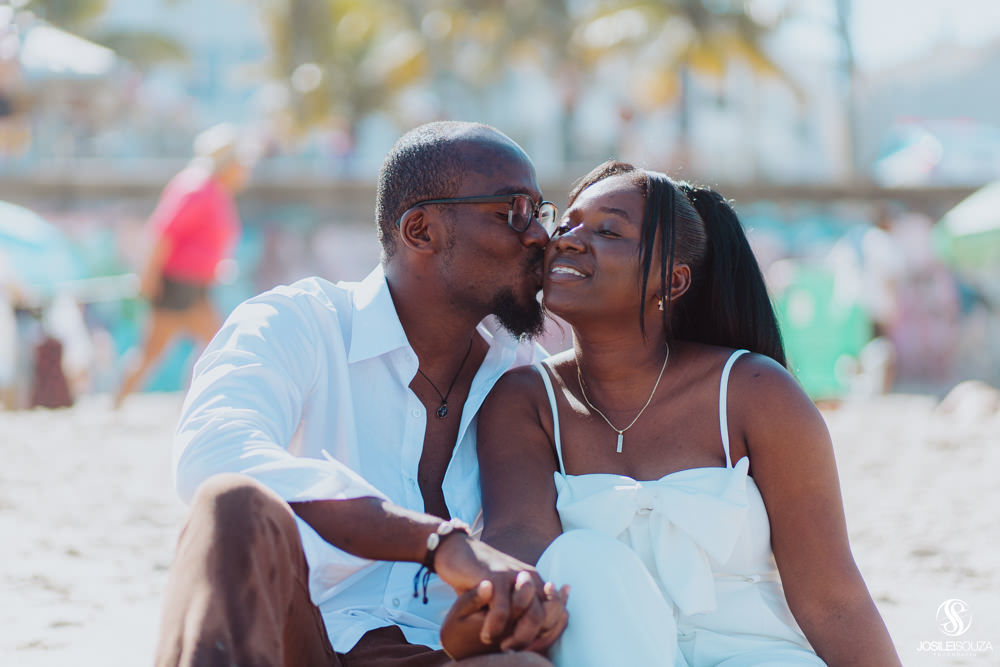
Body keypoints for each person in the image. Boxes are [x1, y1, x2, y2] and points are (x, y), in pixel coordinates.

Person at [155, 121, 568, 666]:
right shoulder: (296, 323)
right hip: (294, 642)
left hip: (444, 651)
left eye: (540, 213)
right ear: (421, 230)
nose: (540, 235)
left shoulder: (528, 377)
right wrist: (434, 541)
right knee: (233, 504)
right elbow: (213, 456)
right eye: (513, 210)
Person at [477, 161, 901, 666]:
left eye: (608, 229)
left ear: (673, 281)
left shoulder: (754, 392)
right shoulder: (524, 400)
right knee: (577, 561)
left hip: (760, 657)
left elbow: (834, 600)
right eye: (566, 224)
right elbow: (519, 559)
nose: (567, 240)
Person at [114, 123, 252, 408]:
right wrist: (148, 277)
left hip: (195, 286)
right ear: (229, 164)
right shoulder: (197, 188)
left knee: (213, 342)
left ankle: (190, 402)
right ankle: (120, 402)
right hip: (177, 286)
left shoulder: (214, 190)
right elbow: (162, 234)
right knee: (161, 350)